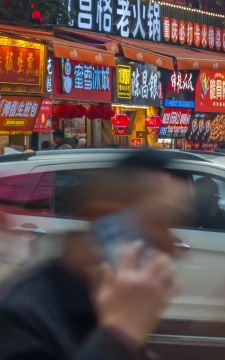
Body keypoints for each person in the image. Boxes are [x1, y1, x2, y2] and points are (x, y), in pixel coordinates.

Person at [0, 151, 190, 360]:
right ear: (106, 218)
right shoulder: (21, 315)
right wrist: (121, 332)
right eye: (160, 222)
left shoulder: (105, 304)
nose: (172, 244)